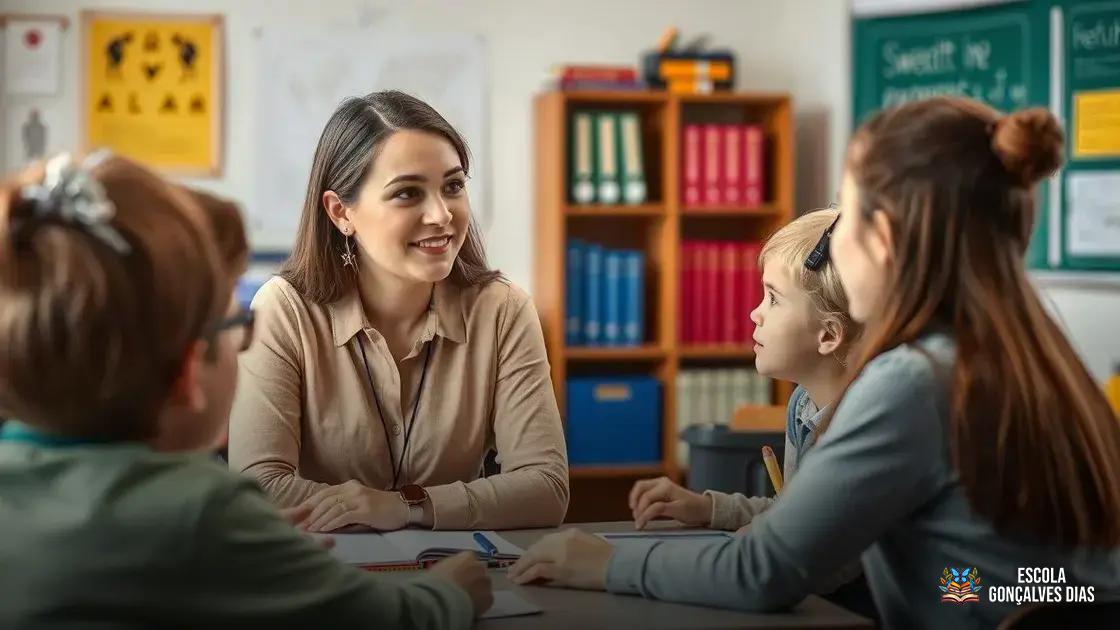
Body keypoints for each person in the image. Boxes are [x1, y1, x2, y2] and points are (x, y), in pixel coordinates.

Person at [508, 97, 1120, 628]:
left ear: (879, 239)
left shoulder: (915, 381)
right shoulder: (1038, 358)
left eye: (843, 217)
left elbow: (764, 571)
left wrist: (605, 560)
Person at [0, 152, 491, 628]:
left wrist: (254, 546)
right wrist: (449, 590)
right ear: (188, 372)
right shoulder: (201, 511)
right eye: (238, 323)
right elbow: (391, 620)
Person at [228, 91, 568, 532]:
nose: (441, 214)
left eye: (453, 186)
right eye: (408, 193)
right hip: (325, 573)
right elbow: (259, 489)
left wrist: (407, 507)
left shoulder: (503, 310)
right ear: (340, 212)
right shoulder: (284, 311)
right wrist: (382, 510)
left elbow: (545, 487)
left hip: (458, 574)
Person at [626, 208, 873, 618]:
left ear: (828, 335)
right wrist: (706, 508)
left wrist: (760, 548)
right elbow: (795, 516)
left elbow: (824, 560)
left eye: (773, 298)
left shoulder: (865, 424)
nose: (754, 313)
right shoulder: (802, 404)